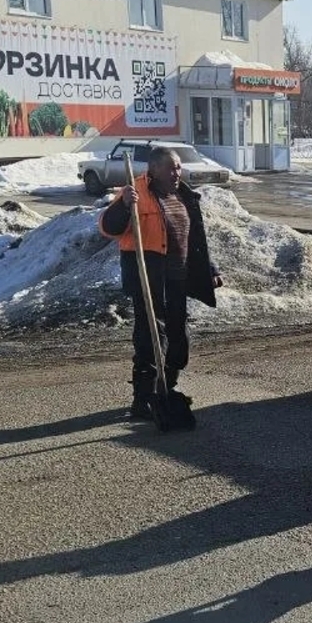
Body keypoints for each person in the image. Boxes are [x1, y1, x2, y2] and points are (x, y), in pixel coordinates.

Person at [97, 146, 224, 425]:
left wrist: (210, 269)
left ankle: (169, 386)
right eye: (170, 167)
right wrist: (122, 205)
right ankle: (143, 397)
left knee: (178, 332)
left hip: (178, 276)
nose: (176, 172)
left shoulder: (183, 194)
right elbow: (108, 227)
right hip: (148, 275)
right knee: (151, 334)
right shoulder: (134, 192)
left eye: (178, 167)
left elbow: (195, 238)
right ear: (153, 170)